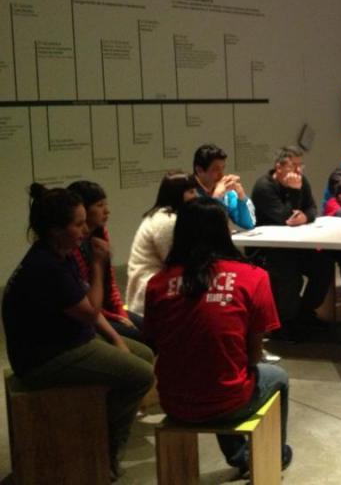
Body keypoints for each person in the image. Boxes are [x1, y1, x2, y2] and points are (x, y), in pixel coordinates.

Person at [2, 184, 154, 480]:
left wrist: (116, 339)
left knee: (144, 354)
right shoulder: (47, 267)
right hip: (46, 358)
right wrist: (97, 264)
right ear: (55, 230)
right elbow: (91, 310)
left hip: (70, 339)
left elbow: (88, 311)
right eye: (78, 224)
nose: (85, 230)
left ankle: (97, 428)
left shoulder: (62, 254)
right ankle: (104, 449)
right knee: (142, 375)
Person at [144, 198, 292, 474]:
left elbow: (155, 341)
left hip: (173, 402)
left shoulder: (157, 283)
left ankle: (239, 455)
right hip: (228, 400)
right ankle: (275, 455)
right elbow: (253, 355)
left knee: (216, 373)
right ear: (223, 231)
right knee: (276, 377)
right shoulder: (253, 277)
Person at [249, 146, 334, 338]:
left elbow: (311, 208)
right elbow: (284, 218)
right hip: (270, 248)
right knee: (289, 274)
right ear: (278, 167)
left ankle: (304, 312)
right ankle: (285, 323)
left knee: (323, 266)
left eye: (300, 165)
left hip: (297, 244)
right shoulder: (264, 187)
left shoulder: (301, 180)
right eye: (293, 165)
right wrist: (294, 192)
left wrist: (305, 217)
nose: (298, 170)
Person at [67, 180, 145, 343]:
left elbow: (110, 284)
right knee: (140, 338)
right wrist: (115, 317)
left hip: (104, 310)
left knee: (152, 330)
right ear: (83, 209)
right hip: (91, 316)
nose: (107, 211)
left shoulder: (100, 234)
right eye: (100, 205)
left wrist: (120, 313)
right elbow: (87, 304)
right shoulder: (72, 246)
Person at [125, 171, 198, 316]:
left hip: (156, 286)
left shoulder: (166, 216)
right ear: (177, 194)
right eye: (191, 192)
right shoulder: (166, 221)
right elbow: (175, 261)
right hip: (149, 293)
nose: (195, 196)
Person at [193, 143, 255, 230]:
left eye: (223, 168)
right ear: (199, 170)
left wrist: (241, 197)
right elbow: (202, 228)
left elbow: (248, 224)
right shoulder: (188, 192)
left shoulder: (227, 193)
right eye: (216, 169)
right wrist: (216, 198)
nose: (222, 175)